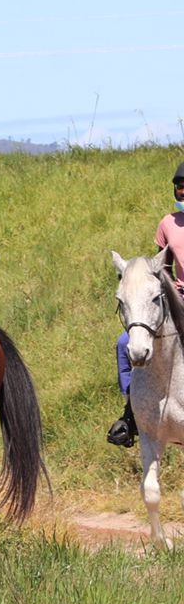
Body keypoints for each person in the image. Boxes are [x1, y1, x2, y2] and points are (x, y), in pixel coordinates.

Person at [107, 160, 184, 446]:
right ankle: (132, 414)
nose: (183, 194)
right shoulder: (167, 224)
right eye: (180, 188)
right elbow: (158, 268)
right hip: (177, 298)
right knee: (123, 342)